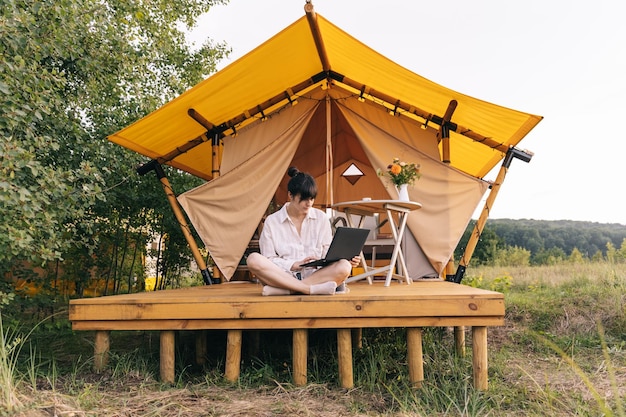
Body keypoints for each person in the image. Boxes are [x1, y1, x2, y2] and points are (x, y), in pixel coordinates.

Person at [246, 167, 360, 296]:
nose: (309, 203)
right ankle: (307, 290)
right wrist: (293, 264)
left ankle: (289, 290)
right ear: (290, 195)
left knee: (345, 266)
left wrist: (345, 259)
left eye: (312, 199)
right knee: (253, 259)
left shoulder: (321, 218)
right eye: (304, 199)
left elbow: (328, 253)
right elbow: (268, 258)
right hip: (282, 276)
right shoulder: (272, 221)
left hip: (316, 276)